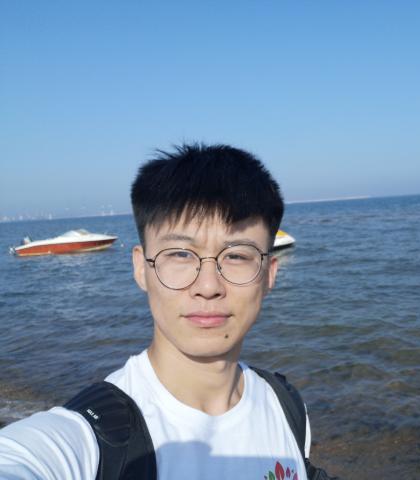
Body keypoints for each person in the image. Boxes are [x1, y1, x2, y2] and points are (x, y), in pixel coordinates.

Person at [0, 144, 324, 479]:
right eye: (180, 254)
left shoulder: (285, 405)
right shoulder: (99, 438)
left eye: (237, 255)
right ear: (141, 268)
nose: (208, 285)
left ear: (269, 274)